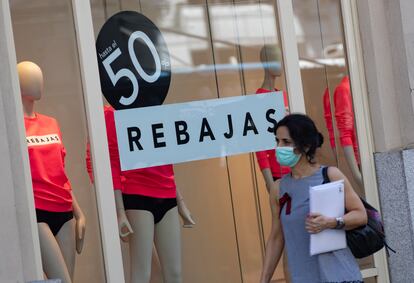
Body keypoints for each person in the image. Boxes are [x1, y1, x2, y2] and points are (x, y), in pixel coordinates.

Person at [259, 114, 366, 283]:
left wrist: (331, 222)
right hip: (301, 277)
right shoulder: (278, 188)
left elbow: (360, 215)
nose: (279, 147)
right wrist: (264, 279)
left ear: (306, 146)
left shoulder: (330, 175)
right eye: (277, 141)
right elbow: (276, 237)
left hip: (339, 276)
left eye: (286, 142)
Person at [96, 105, 194, 283]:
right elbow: (112, 162)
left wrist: (181, 203)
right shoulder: (111, 114)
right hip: (137, 195)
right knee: (142, 274)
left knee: (175, 274)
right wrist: (120, 211)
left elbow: (164, 157)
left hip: (167, 195)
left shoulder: (156, 109)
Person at [18, 61, 85, 283]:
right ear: (19, 85)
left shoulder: (51, 123)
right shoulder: (14, 128)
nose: (40, 82)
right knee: (61, 281)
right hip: (37, 212)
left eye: (40, 76)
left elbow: (60, 170)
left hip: (64, 210)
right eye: (32, 77)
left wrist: (78, 212)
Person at [255, 45, 291, 193]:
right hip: (277, 174)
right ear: (266, 63)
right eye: (277, 60)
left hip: (294, 170)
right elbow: (259, 146)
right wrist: (269, 183)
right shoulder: (259, 99)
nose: (281, 64)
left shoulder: (282, 96)